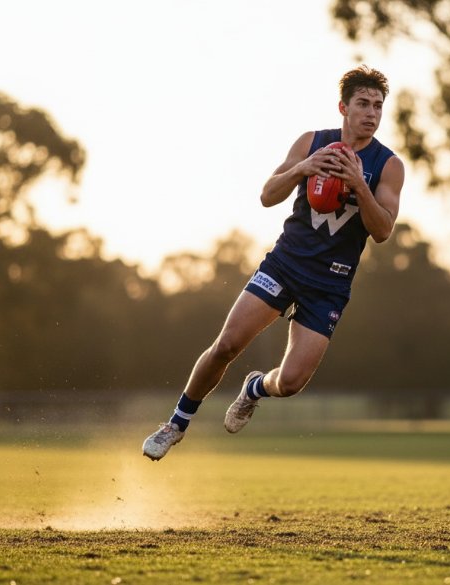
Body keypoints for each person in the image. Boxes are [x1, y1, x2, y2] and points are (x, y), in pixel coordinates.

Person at [142, 65, 405, 461]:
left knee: (292, 381)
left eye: (378, 106)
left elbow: (383, 230)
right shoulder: (312, 141)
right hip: (285, 265)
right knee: (227, 344)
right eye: (363, 103)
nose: (371, 112)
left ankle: (253, 389)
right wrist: (303, 168)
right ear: (343, 107)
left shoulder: (388, 165)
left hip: (329, 285)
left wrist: (359, 185)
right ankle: (175, 424)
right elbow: (267, 195)